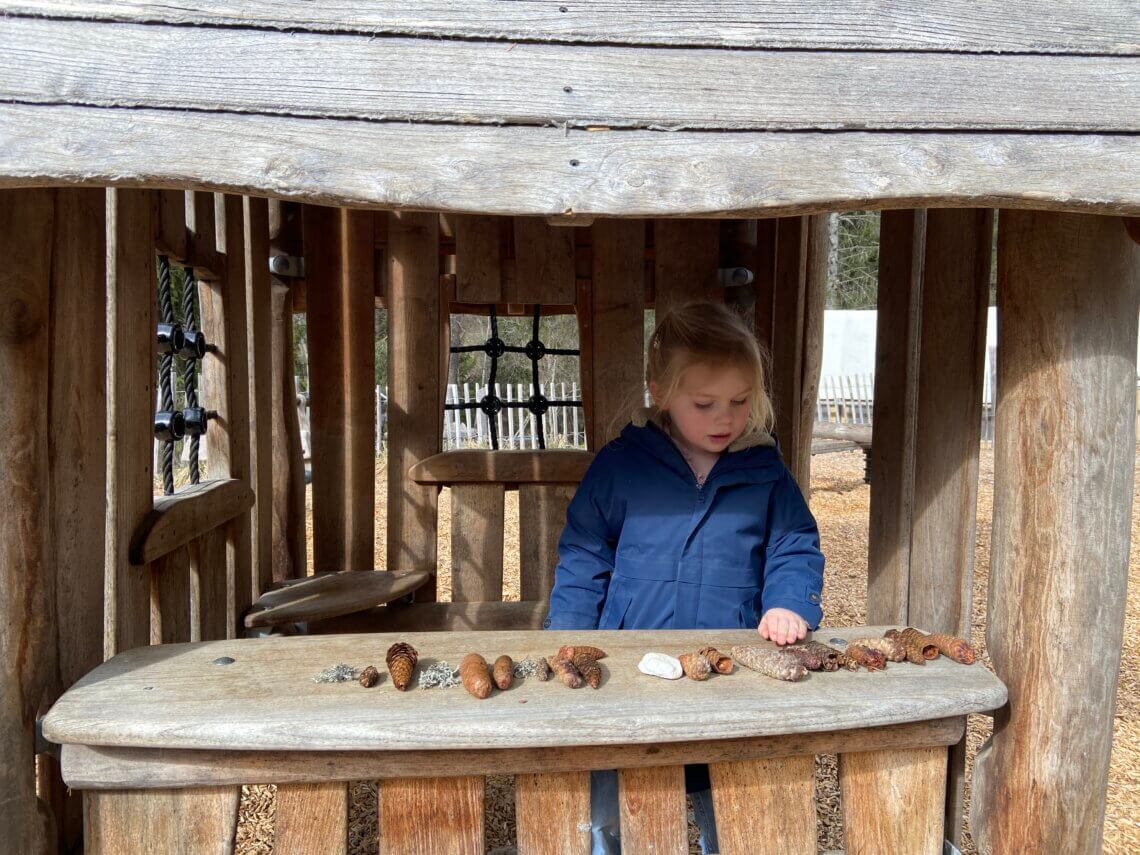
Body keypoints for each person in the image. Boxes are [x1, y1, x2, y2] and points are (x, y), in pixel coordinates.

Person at [544, 300, 826, 855]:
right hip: (629, 664)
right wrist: (569, 635)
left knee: (729, 791)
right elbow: (584, 550)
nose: (724, 417)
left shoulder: (764, 471)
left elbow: (793, 542)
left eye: (740, 402)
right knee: (621, 785)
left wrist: (789, 603)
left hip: (728, 665)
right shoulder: (623, 465)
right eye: (704, 403)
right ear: (661, 392)